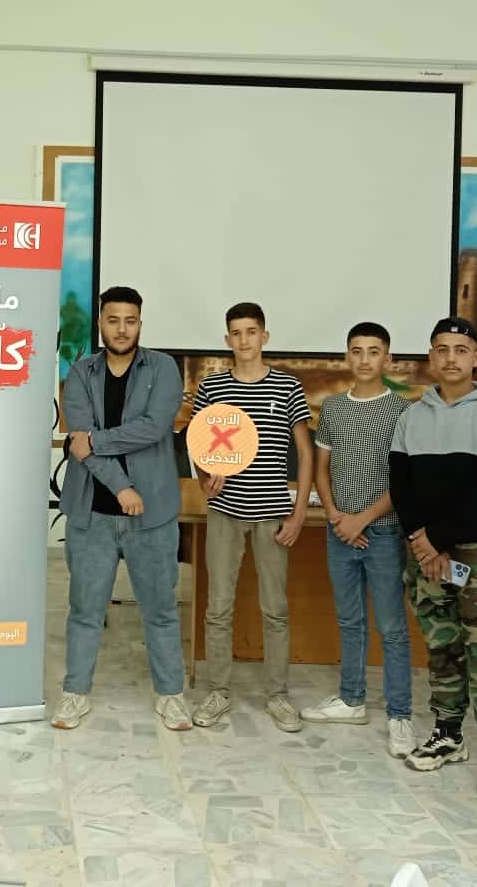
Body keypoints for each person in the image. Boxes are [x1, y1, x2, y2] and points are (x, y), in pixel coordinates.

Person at [388, 316, 477, 801]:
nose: (450, 358)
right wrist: (419, 539)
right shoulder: (412, 417)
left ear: (476, 358)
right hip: (426, 552)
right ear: (431, 356)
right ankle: (448, 733)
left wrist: (436, 539)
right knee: (442, 645)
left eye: (460, 350)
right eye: (441, 349)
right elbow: (401, 485)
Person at [52, 286, 190, 731]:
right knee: (84, 611)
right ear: (101, 324)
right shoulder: (80, 372)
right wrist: (122, 487)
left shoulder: (163, 368)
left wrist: (95, 440)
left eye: (130, 321)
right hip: (91, 515)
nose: (122, 329)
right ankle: (75, 694)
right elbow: (79, 443)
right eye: (113, 320)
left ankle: (171, 696)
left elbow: (153, 427)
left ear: (140, 324)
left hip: (152, 516)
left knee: (161, 610)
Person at [191, 302, 313, 733]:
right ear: (227, 340)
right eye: (236, 333)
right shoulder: (212, 387)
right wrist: (206, 477)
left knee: (275, 609)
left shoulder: (287, 386)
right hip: (225, 512)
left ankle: (278, 695)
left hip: (273, 513)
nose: (244, 340)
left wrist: (298, 512)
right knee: (218, 608)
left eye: (251, 331)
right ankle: (218, 692)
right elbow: (199, 447)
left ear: (265, 336)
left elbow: (305, 452)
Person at [305, 322, 415, 758]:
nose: (365, 359)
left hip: (383, 533)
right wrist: (336, 516)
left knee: (391, 627)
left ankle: (400, 714)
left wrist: (362, 520)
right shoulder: (333, 408)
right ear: (346, 356)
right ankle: (351, 699)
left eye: (373, 351)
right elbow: (321, 469)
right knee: (349, 620)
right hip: (339, 532)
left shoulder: (402, 411)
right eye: (357, 350)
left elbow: (405, 480)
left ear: (387, 358)